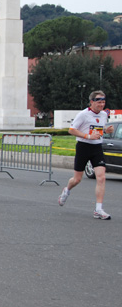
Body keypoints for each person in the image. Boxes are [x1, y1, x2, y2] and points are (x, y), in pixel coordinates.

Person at [58, 91, 114, 220]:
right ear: (92, 102)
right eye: (99, 102)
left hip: (97, 147)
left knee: (101, 177)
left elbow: (98, 129)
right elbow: (71, 130)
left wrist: (106, 130)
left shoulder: (104, 114)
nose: (101, 104)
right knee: (77, 179)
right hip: (83, 147)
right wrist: (87, 136)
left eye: (103, 102)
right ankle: (67, 190)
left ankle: (98, 209)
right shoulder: (83, 114)